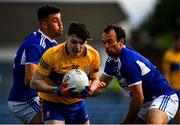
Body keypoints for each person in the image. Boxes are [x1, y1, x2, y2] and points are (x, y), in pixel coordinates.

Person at [98, 24, 179, 124]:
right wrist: (84, 90)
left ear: (121, 41)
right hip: (145, 103)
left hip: (162, 96)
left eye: (110, 41)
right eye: (104, 42)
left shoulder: (129, 61)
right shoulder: (111, 62)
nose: (106, 46)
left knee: (153, 122)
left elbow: (138, 98)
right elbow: (100, 86)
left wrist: (128, 121)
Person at [30, 21, 105, 124]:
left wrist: (91, 89)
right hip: (53, 104)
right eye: (74, 42)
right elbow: (34, 83)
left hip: (78, 105)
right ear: (66, 39)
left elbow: (95, 79)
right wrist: (57, 90)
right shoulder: (52, 55)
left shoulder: (93, 55)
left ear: (86, 42)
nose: (78, 47)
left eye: (82, 43)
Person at [8, 5, 63, 124]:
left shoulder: (52, 43)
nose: (60, 24)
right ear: (44, 25)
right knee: (57, 120)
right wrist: (56, 89)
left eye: (60, 19)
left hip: (37, 96)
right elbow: (30, 80)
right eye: (55, 20)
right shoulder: (36, 44)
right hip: (25, 99)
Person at [162, 32, 180, 123]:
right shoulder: (169, 55)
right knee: (175, 113)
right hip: (174, 89)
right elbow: (166, 73)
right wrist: (169, 88)